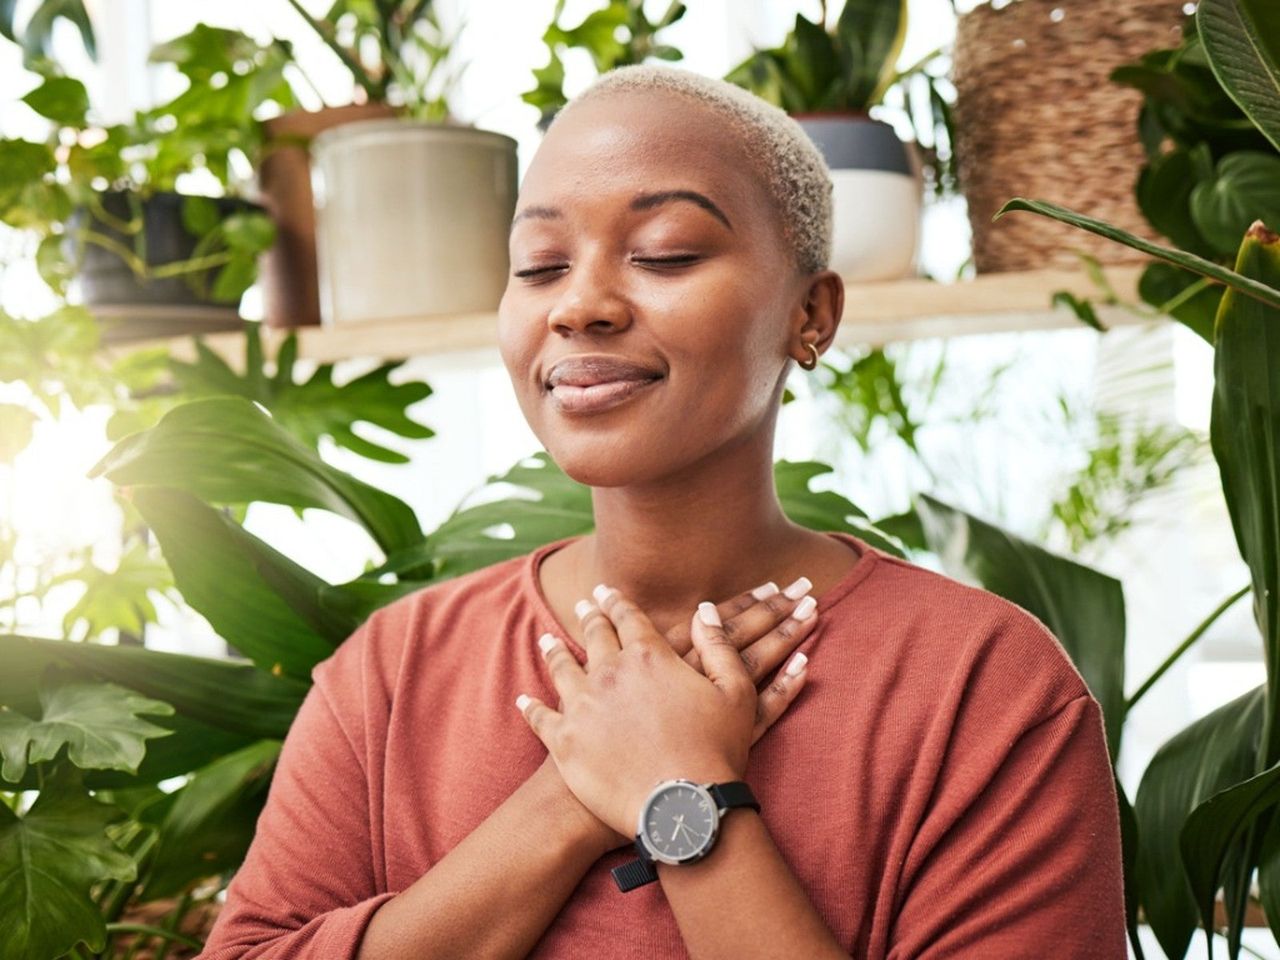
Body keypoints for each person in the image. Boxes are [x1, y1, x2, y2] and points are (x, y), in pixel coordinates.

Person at [198, 64, 1127, 959]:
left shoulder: (985, 691)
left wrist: (684, 797)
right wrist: (568, 796)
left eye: (665, 254)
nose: (581, 305)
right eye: (539, 264)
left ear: (812, 314)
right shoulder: (393, 674)